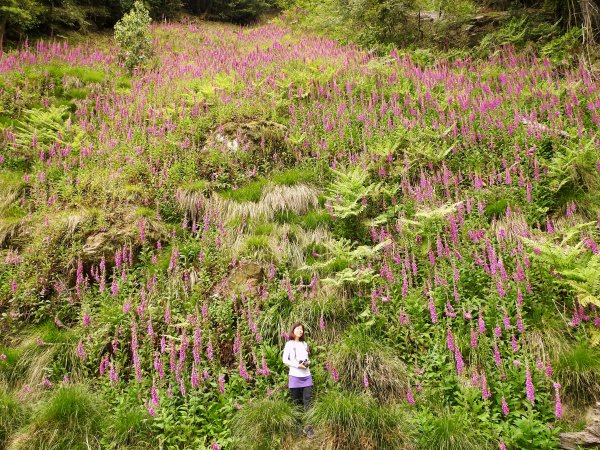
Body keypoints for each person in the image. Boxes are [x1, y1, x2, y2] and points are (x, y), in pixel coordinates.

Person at [282, 322, 315, 438]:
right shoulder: (289, 344)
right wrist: (297, 365)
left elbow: (306, 358)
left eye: (301, 329)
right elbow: (285, 360)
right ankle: (297, 428)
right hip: (295, 377)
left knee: (308, 401)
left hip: (307, 376)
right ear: (293, 330)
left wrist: (308, 362)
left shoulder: (304, 343)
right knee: (296, 403)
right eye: (298, 329)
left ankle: (309, 428)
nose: (300, 331)